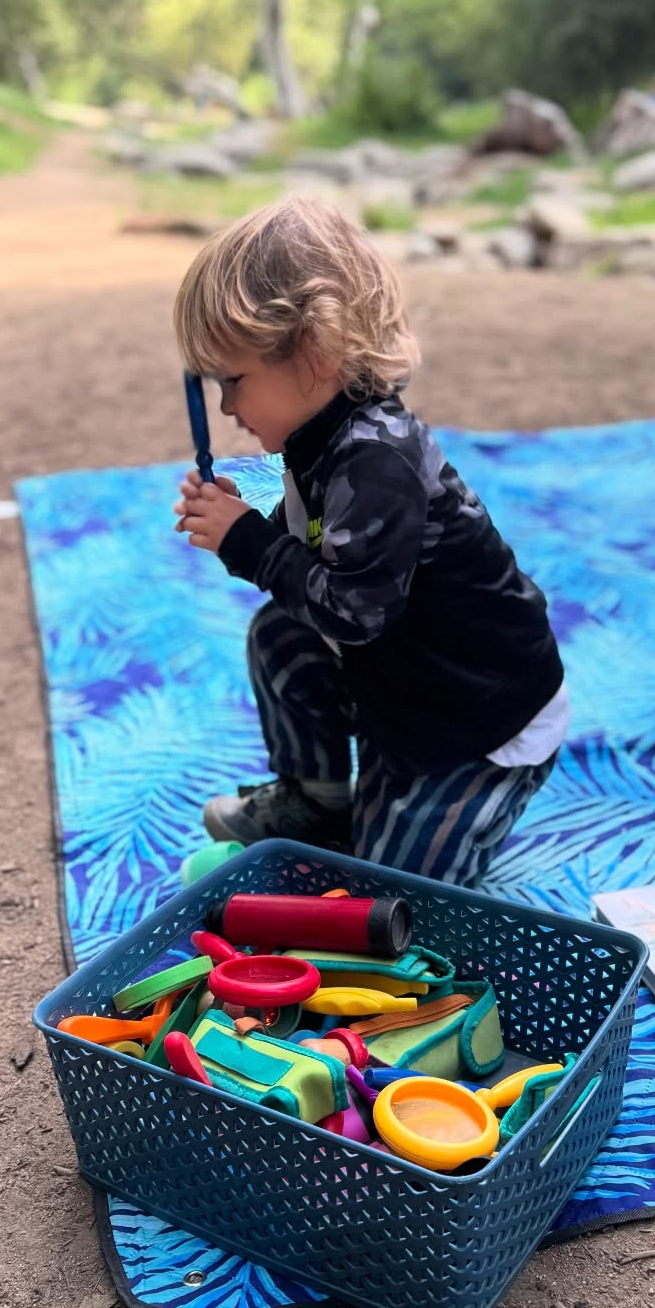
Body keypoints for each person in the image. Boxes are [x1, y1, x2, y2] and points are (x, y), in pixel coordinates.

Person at [171, 197, 568, 889]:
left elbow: (354, 611)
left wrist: (251, 544)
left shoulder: (375, 458)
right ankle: (318, 800)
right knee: (279, 634)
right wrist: (255, 521)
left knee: (390, 894)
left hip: (475, 726)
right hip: (399, 685)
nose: (228, 409)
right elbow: (328, 542)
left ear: (316, 353)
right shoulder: (324, 437)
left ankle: (464, 816)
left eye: (234, 382)